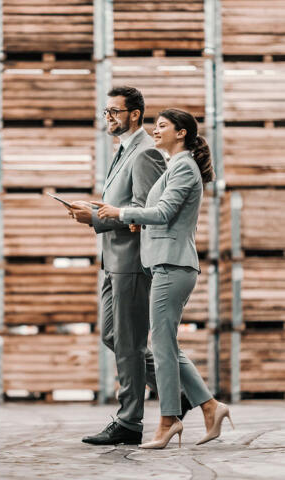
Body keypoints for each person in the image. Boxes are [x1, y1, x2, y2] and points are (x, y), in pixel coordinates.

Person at [93, 108, 233, 449]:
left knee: (162, 344)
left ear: (181, 132)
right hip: (163, 265)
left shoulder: (184, 166)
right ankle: (211, 407)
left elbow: (164, 213)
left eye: (162, 126)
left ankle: (170, 419)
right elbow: (161, 213)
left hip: (173, 265)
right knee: (165, 344)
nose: (155, 131)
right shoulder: (175, 166)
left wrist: (122, 211)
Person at [69, 86, 177, 445]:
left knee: (129, 343)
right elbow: (122, 203)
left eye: (115, 111)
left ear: (135, 114)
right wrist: (94, 209)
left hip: (132, 261)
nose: (109, 117)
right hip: (113, 260)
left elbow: (144, 212)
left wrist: (96, 219)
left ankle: (130, 421)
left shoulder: (146, 153)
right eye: (106, 112)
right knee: (113, 336)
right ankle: (185, 393)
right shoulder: (122, 151)